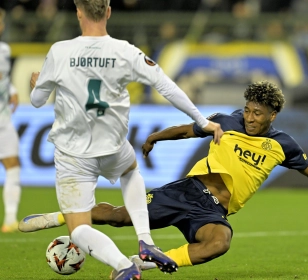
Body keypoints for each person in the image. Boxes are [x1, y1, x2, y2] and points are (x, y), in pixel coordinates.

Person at [20, 81, 308, 277]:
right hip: (189, 190)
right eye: (247, 110)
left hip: (212, 212)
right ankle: (56, 218)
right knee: (119, 217)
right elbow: (189, 129)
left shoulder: (284, 146)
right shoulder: (226, 122)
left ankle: (142, 262)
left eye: (257, 113)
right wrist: (155, 137)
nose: (249, 117)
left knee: (220, 242)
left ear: (272, 116)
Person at [26, 0, 224, 279]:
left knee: (80, 228)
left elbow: (36, 102)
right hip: (113, 145)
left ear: (78, 12)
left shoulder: (60, 51)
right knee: (130, 172)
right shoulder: (125, 51)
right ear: (108, 12)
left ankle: (123, 265)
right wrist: (203, 121)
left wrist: (36, 84)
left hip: (74, 153)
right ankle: (146, 241)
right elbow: (165, 85)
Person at [0, 8, 22, 233]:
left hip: (3, 120)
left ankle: (10, 219)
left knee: (12, 165)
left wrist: (13, 89)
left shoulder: (4, 49)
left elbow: (3, 79)